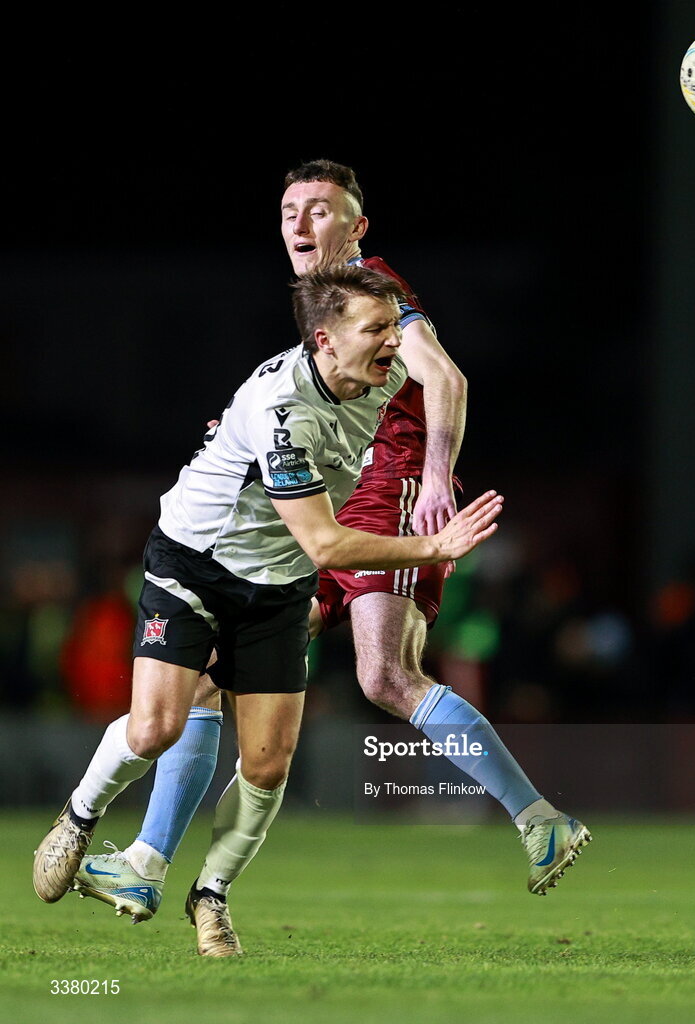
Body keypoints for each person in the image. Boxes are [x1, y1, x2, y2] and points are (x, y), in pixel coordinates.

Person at [67, 160, 591, 945]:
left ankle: (540, 818)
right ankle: (151, 861)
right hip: (328, 506)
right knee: (211, 680)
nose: (303, 225)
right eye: (290, 211)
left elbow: (443, 376)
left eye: (322, 210)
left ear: (357, 229)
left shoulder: (378, 291)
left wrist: (437, 474)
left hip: (390, 492)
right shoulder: (326, 313)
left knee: (385, 676)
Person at [33, 265, 505, 958]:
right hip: (197, 567)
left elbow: (447, 383)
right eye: (375, 331)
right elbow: (324, 540)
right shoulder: (285, 412)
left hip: (278, 585)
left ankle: (212, 895)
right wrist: (436, 542)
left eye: (392, 331)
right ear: (325, 341)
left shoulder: (380, 378)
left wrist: (436, 466)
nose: (391, 344)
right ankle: (77, 819)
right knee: (157, 725)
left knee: (268, 761)